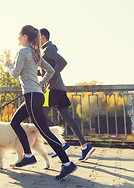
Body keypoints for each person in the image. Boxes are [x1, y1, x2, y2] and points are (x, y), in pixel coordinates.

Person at [5, 25, 77, 180]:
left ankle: (67, 163)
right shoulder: (34, 52)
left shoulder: (23, 52)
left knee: (44, 131)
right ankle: (29, 155)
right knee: (15, 122)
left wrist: (8, 65)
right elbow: (51, 70)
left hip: (32, 96)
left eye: (19, 34)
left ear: (25, 36)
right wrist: (41, 84)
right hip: (35, 95)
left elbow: (15, 73)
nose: (17, 37)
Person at [39, 28, 95, 162]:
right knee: (67, 118)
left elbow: (62, 62)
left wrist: (51, 74)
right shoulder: (45, 51)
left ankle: (62, 144)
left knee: (40, 116)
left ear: (42, 38)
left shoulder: (47, 50)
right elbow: (46, 71)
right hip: (57, 89)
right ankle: (84, 146)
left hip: (53, 90)